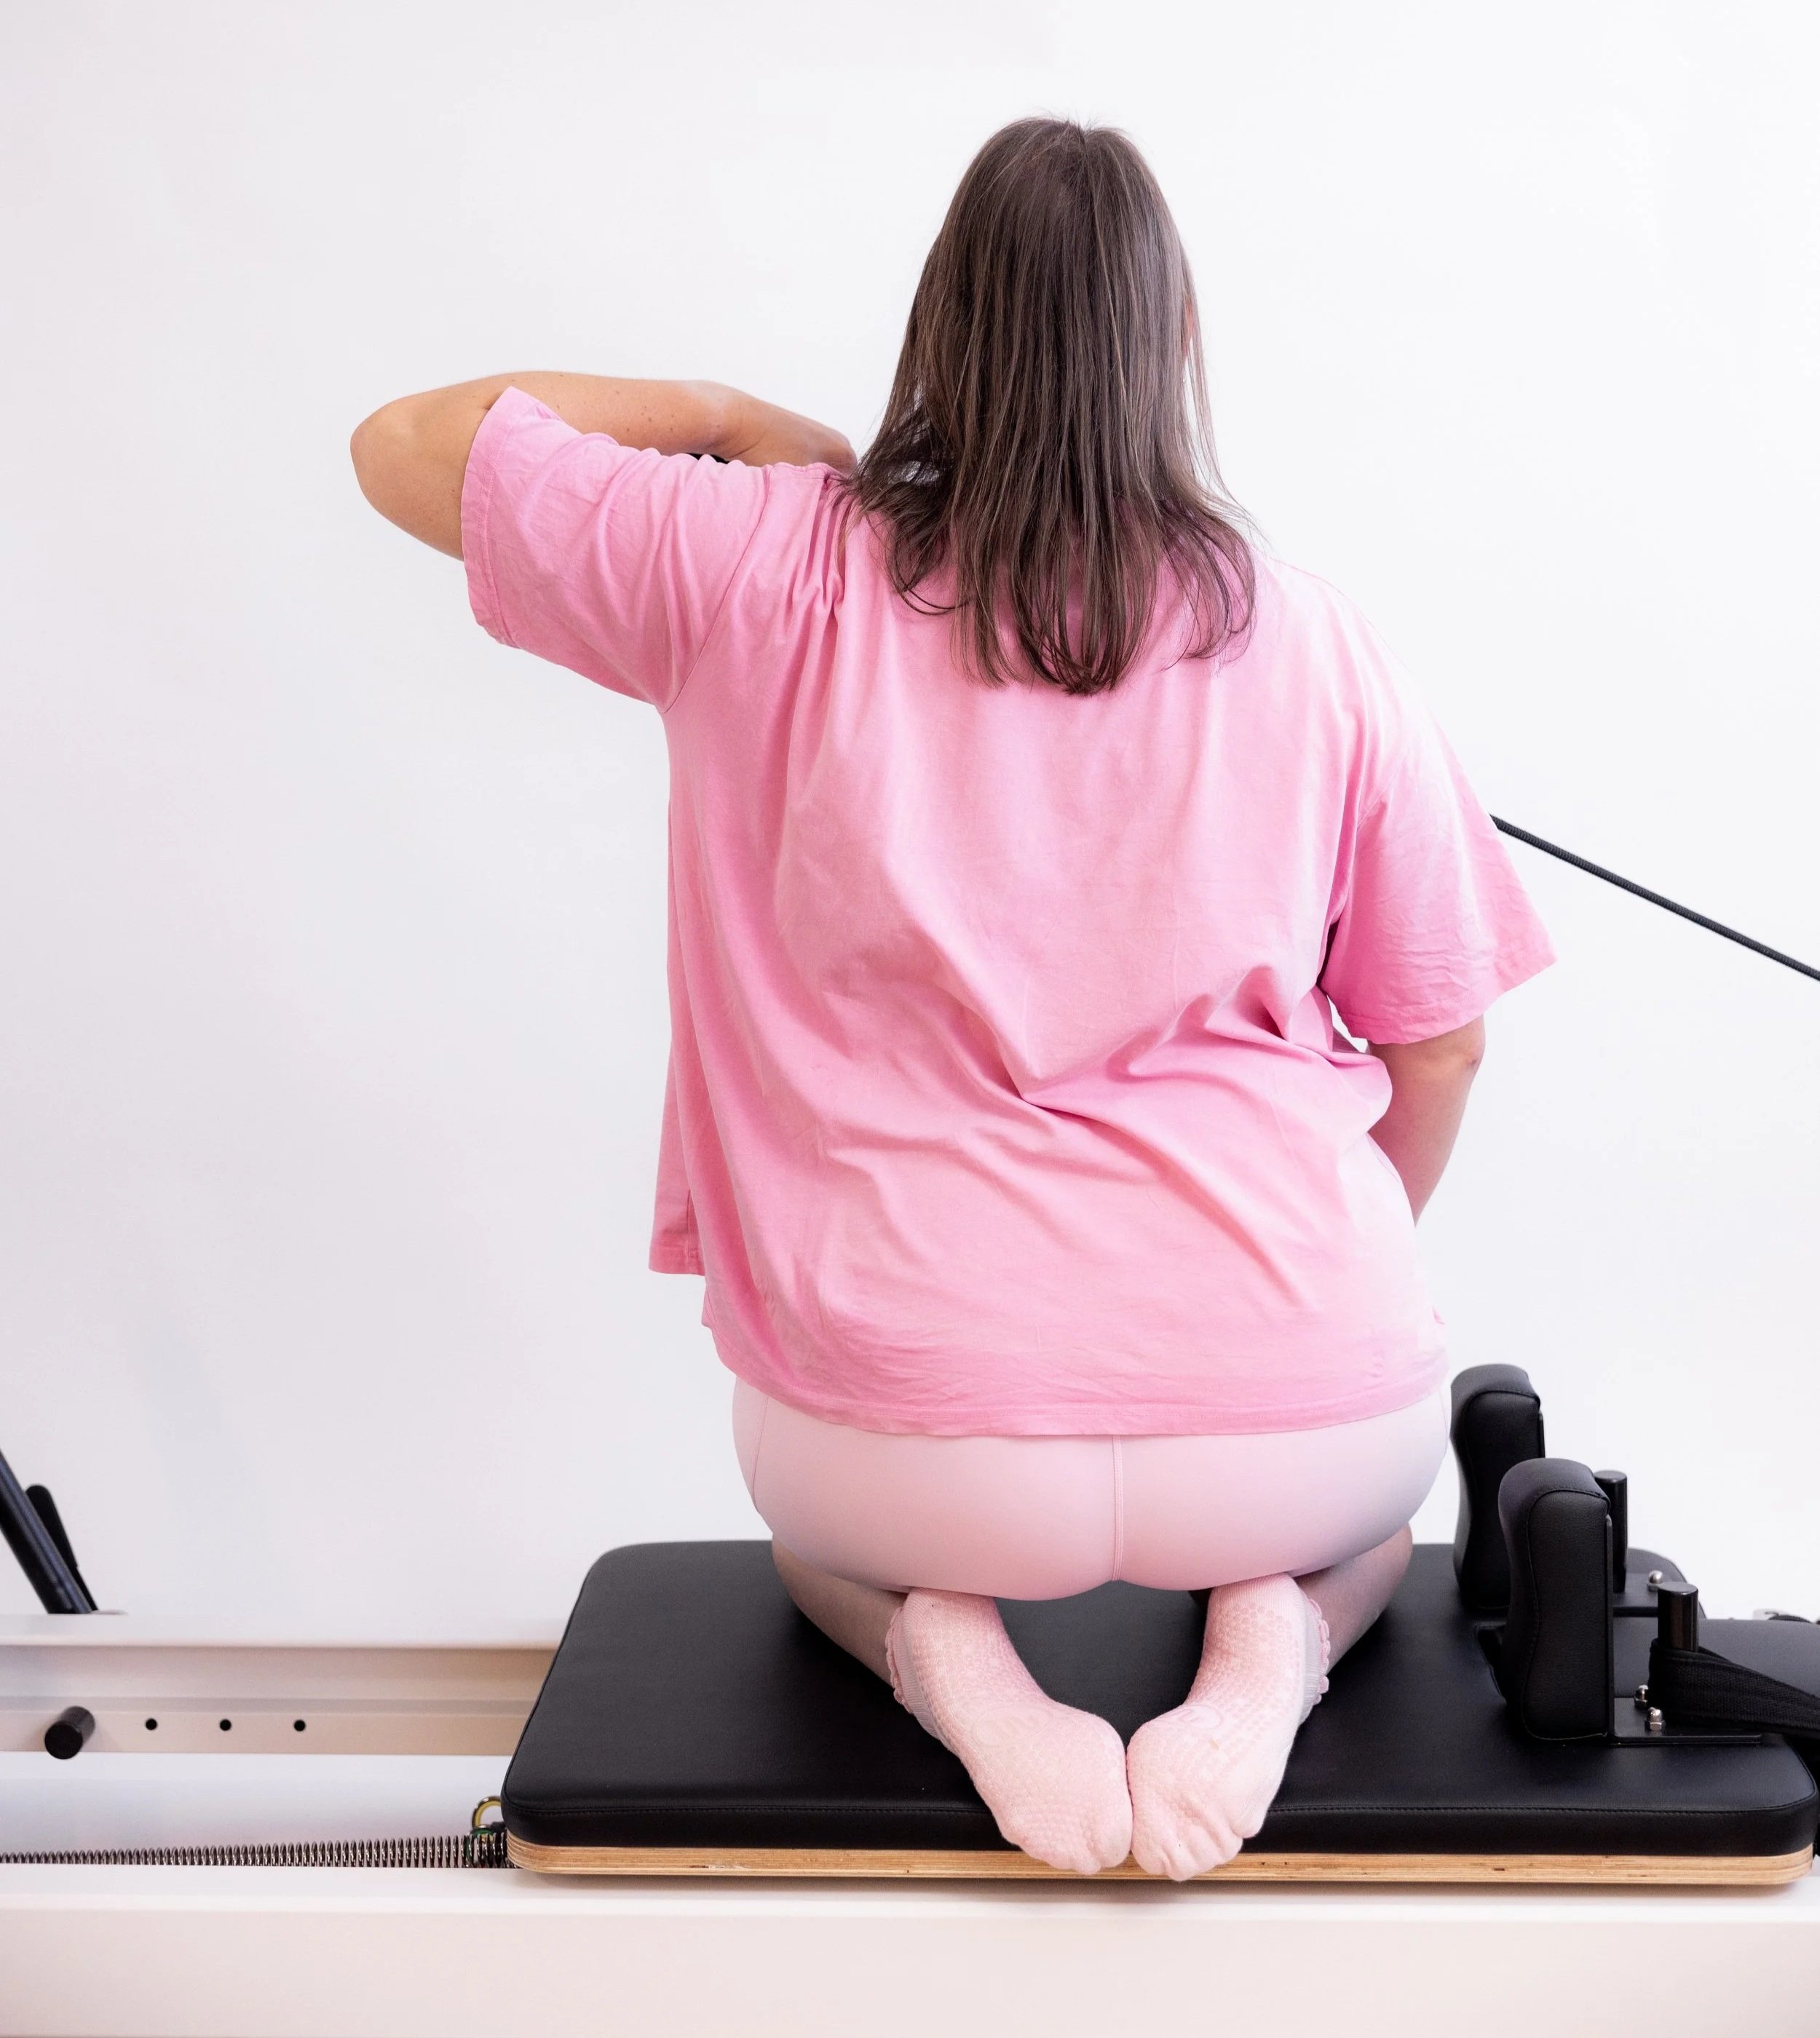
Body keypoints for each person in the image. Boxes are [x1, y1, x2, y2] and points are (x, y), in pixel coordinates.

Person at [351, 116, 1554, 1879]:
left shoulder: (759, 560)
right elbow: (1436, 1037)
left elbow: (403, 446)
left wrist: (723, 416)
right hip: (1286, 1418)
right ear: (1176, 353)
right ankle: (1271, 1644)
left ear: (939, 333)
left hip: (913, 1435)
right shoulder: (1306, 630)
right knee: (1357, 1520)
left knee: (813, 1525)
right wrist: (1325, 1269)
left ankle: (952, 1658)